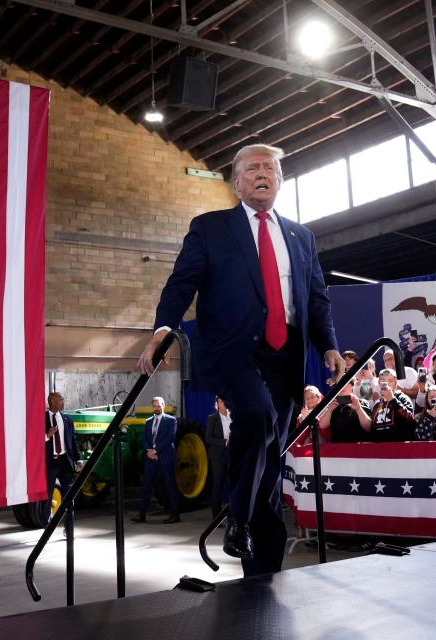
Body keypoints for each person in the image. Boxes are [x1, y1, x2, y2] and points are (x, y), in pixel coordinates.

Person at [137, 143, 344, 576]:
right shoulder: (211, 228)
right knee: (257, 415)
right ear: (236, 182)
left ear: (281, 180)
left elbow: (316, 298)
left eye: (270, 167)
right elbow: (182, 282)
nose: (262, 173)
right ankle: (237, 515)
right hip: (234, 352)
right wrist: (162, 329)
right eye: (252, 168)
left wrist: (327, 344)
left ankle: (262, 573)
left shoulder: (301, 237)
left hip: (285, 357)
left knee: (270, 461)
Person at [132, 397, 180, 523]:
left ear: (163, 406)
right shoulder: (148, 422)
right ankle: (141, 515)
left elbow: (170, 438)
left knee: (170, 485)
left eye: (159, 406)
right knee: (147, 486)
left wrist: (156, 451)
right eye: (154, 406)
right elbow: (145, 439)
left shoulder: (171, 420)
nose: (156, 408)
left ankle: (175, 515)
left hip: (165, 457)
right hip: (151, 458)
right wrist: (149, 450)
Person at [44, 392, 82, 520]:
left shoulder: (67, 419)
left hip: (65, 461)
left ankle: (69, 526)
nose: (63, 401)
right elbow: (32, 440)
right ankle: (46, 526)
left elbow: (73, 441)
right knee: (47, 496)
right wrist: (47, 436)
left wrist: (78, 459)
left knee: (69, 495)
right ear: (52, 401)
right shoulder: (41, 418)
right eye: (61, 399)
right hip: (50, 462)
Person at [353, 369, 416, 442]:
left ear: (395, 384)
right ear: (379, 383)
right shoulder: (378, 404)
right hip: (380, 449)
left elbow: (410, 421)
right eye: (383, 380)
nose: (387, 383)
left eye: (390, 380)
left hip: (399, 448)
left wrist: (392, 400)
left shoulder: (403, 398)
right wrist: (358, 408)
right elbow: (372, 429)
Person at [317, 378, 368, 443]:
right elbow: (322, 425)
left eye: (346, 383)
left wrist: (358, 408)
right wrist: (329, 410)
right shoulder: (332, 403)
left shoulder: (361, 402)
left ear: (352, 385)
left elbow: (368, 427)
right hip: (337, 448)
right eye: (339, 383)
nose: (342, 386)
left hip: (356, 447)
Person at [205, 396, 231, 518]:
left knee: (234, 485)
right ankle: (216, 517)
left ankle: (234, 515)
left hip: (232, 455)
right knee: (217, 485)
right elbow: (208, 438)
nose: (224, 403)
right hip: (217, 457)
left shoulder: (234, 416)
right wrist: (224, 442)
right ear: (217, 404)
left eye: (225, 400)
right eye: (221, 401)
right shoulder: (212, 418)